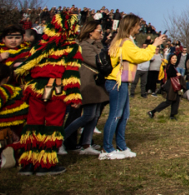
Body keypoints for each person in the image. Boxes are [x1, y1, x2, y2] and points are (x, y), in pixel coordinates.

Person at [14, 11, 83, 175]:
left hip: (36, 88)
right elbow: (71, 73)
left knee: (33, 123)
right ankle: (45, 164)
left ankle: (29, 163)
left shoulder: (40, 44)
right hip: (56, 89)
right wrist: (73, 95)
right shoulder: (72, 47)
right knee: (53, 125)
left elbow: (28, 67)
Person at [102, 14, 166, 161]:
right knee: (116, 115)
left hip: (122, 81)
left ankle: (121, 145)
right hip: (117, 82)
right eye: (137, 25)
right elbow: (139, 56)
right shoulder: (125, 43)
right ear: (131, 27)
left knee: (124, 115)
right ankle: (107, 148)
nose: (139, 28)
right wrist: (154, 45)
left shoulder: (126, 41)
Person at [64, 19, 108, 155]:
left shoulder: (98, 44)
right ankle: (61, 139)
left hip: (97, 84)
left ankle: (86, 143)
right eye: (99, 31)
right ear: (90, 32)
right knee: (87, 115)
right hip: (88, 83)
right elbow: (97, 61)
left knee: (94, 116)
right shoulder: (84, 45)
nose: (101, 33)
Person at [148, 54, 182, 121]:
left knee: (176, 100)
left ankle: (172, 115)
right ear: (170, 59)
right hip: (170, 86)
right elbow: (169, 74)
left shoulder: (173, 66)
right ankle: (152, 112)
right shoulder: (169, 66)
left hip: (173, 86)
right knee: (168, 101)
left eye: (175, 58)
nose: (175, 59)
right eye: (173, 58)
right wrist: (176, 74)